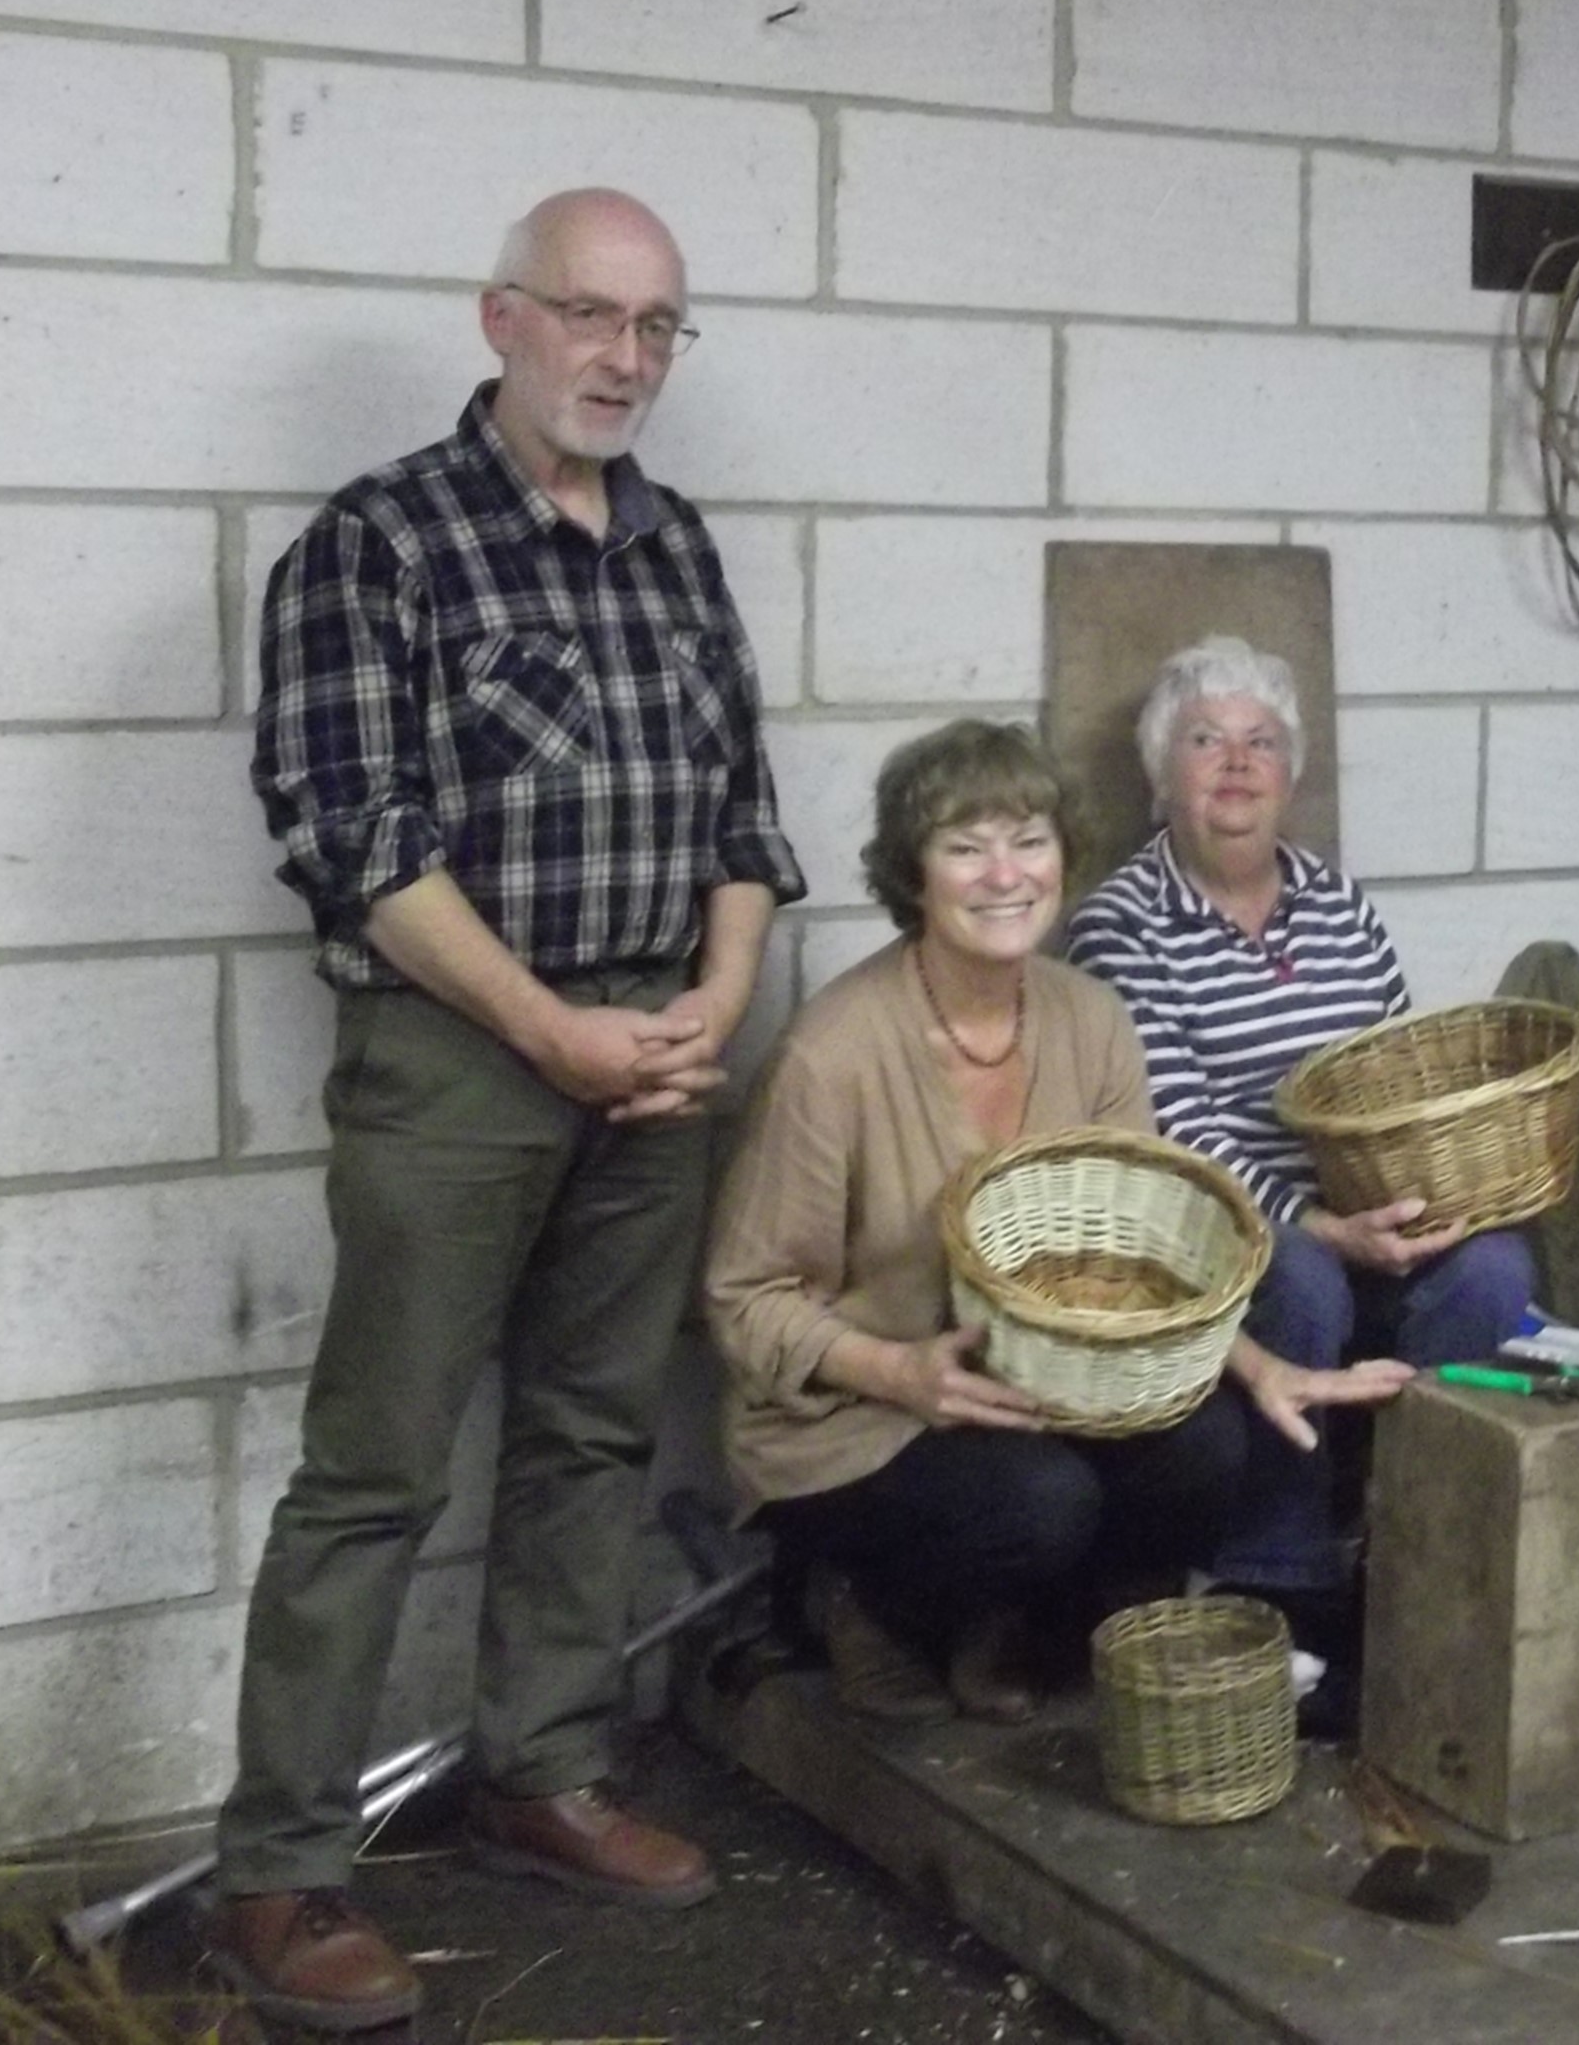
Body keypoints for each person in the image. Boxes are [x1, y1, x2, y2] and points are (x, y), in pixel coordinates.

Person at [223, 189, 806, 2031]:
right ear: (502, 320)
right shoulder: (378, 544)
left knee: (592, 1429)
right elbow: (351, 836)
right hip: (462, 1056)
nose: (624, 354)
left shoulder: (674, 547)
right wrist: (550, 1024)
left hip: (657, 1049)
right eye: (590, 313)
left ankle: (538, 1770)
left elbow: (743, 811)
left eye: (657, 325)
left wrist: (714, 992)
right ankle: (280, 1871)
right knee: (378, 1467)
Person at [705, 722, 1411, 1728]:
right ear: (915, 872)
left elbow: (1143, 1254)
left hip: (1044, 1388)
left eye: (1028, 839)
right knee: (1041, 1502)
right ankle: (856, 1599)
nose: (1005, 874)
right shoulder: (836, 1053)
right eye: (965, 845)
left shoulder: (1091, 1018)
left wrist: (1263, 1369)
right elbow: (745, 1300)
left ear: (1063, 857)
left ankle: (1035, 1626)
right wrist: (900, 1371)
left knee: (1210, 1448)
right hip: (865, 1411)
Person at [1064, 636, 1533, 1724]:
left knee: (1493, 1270)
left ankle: (1424, 1562)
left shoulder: (1336, 900)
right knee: (1300, 1279)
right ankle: (1281, 1592)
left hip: (1356, 1206)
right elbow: (1168, 1133)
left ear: (1292, 771)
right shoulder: (1120, 924)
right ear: (1158, 775)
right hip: (1223, 1233)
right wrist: (1321, 1224)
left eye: (1261, 740)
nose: (1236, 762)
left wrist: (1418, 1201)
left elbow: (1385, 1079)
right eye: (1205, 739)